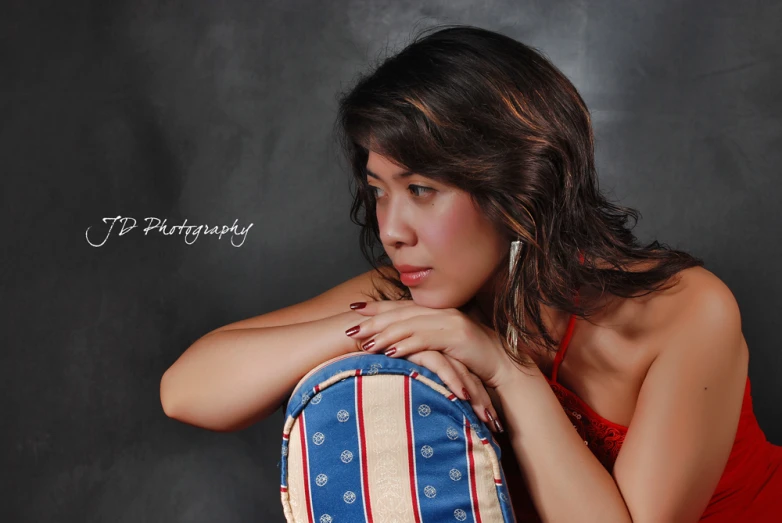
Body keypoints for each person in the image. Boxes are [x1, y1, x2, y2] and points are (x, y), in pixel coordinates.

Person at [160, 24, 782, 521]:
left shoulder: (687, 312)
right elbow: (187, 390)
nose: (392, 229)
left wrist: (501, 367)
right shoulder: (420, 293)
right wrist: (387, 330)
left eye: (422, 188)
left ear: (516, 188)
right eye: (379, 191)